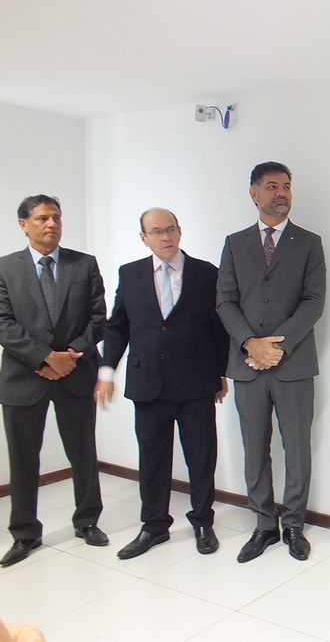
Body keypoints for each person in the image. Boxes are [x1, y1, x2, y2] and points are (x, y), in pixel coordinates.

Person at [95, 208, 229, 559]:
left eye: (170, 229)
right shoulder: (131, 273)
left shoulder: (205, 273)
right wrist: (107, 372)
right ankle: (154, 525)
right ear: (144, 238)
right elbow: (118, 326)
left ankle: (203, 521)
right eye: (156, 232)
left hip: (197, 382)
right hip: (148, 383)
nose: (165, 237)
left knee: (201, 456)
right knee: (152, 457)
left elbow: (218, 326)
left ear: (180, 231)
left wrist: (220, 374)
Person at [216, 161, 326, 563]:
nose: (281, 192)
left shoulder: (308, 242)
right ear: (254, 193)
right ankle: (264, 524)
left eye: (286, 186)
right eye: (272, 186)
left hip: (293, 364)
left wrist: (275, 347)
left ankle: (293, 524)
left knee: (296, 448)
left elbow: (314, 301)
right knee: (254, 448)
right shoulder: (234, 243)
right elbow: (225, 301)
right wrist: (250, 344)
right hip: (247, 367)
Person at [0, 195, 108, 567]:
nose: (52, 224)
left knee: (83, 452)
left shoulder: (84, 264)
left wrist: (69, 355)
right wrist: (46, 358)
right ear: (23, 224)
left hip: (75, 374)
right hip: (23, 377)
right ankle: (25, 533)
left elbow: (98, 318)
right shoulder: (5, 268)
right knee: (23, 458)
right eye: (43, 218)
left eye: (57, 218)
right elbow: (3, 323)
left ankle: (87, 521)